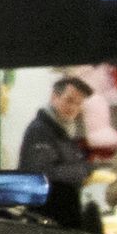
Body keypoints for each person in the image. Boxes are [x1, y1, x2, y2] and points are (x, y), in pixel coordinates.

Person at [16, 72, 94, 205]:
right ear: (54, 97)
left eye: (78, 103)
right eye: (69, 100)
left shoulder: (63, 130)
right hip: (45, 214)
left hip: (61, 209)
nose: (73, 108)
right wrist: (84, 169)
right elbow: (43, 175)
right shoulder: (40, 130)